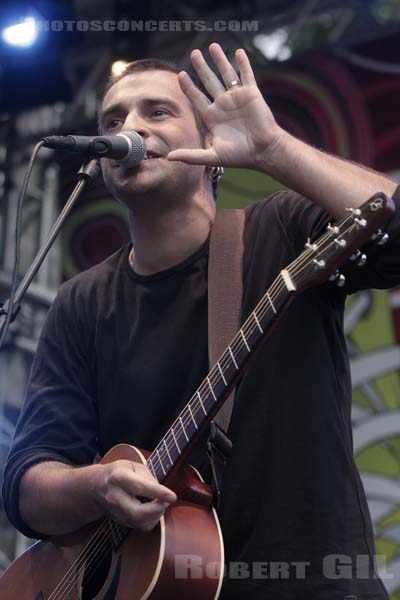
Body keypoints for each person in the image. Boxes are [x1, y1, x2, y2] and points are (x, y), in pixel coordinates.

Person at [2, 42, 400, 599]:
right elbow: (26, 484)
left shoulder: (281, 232)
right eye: (113, 119)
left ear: (208, 143)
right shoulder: (81, 302)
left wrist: (274, 149)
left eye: (157, 112)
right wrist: (96, 486)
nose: (130, 127)